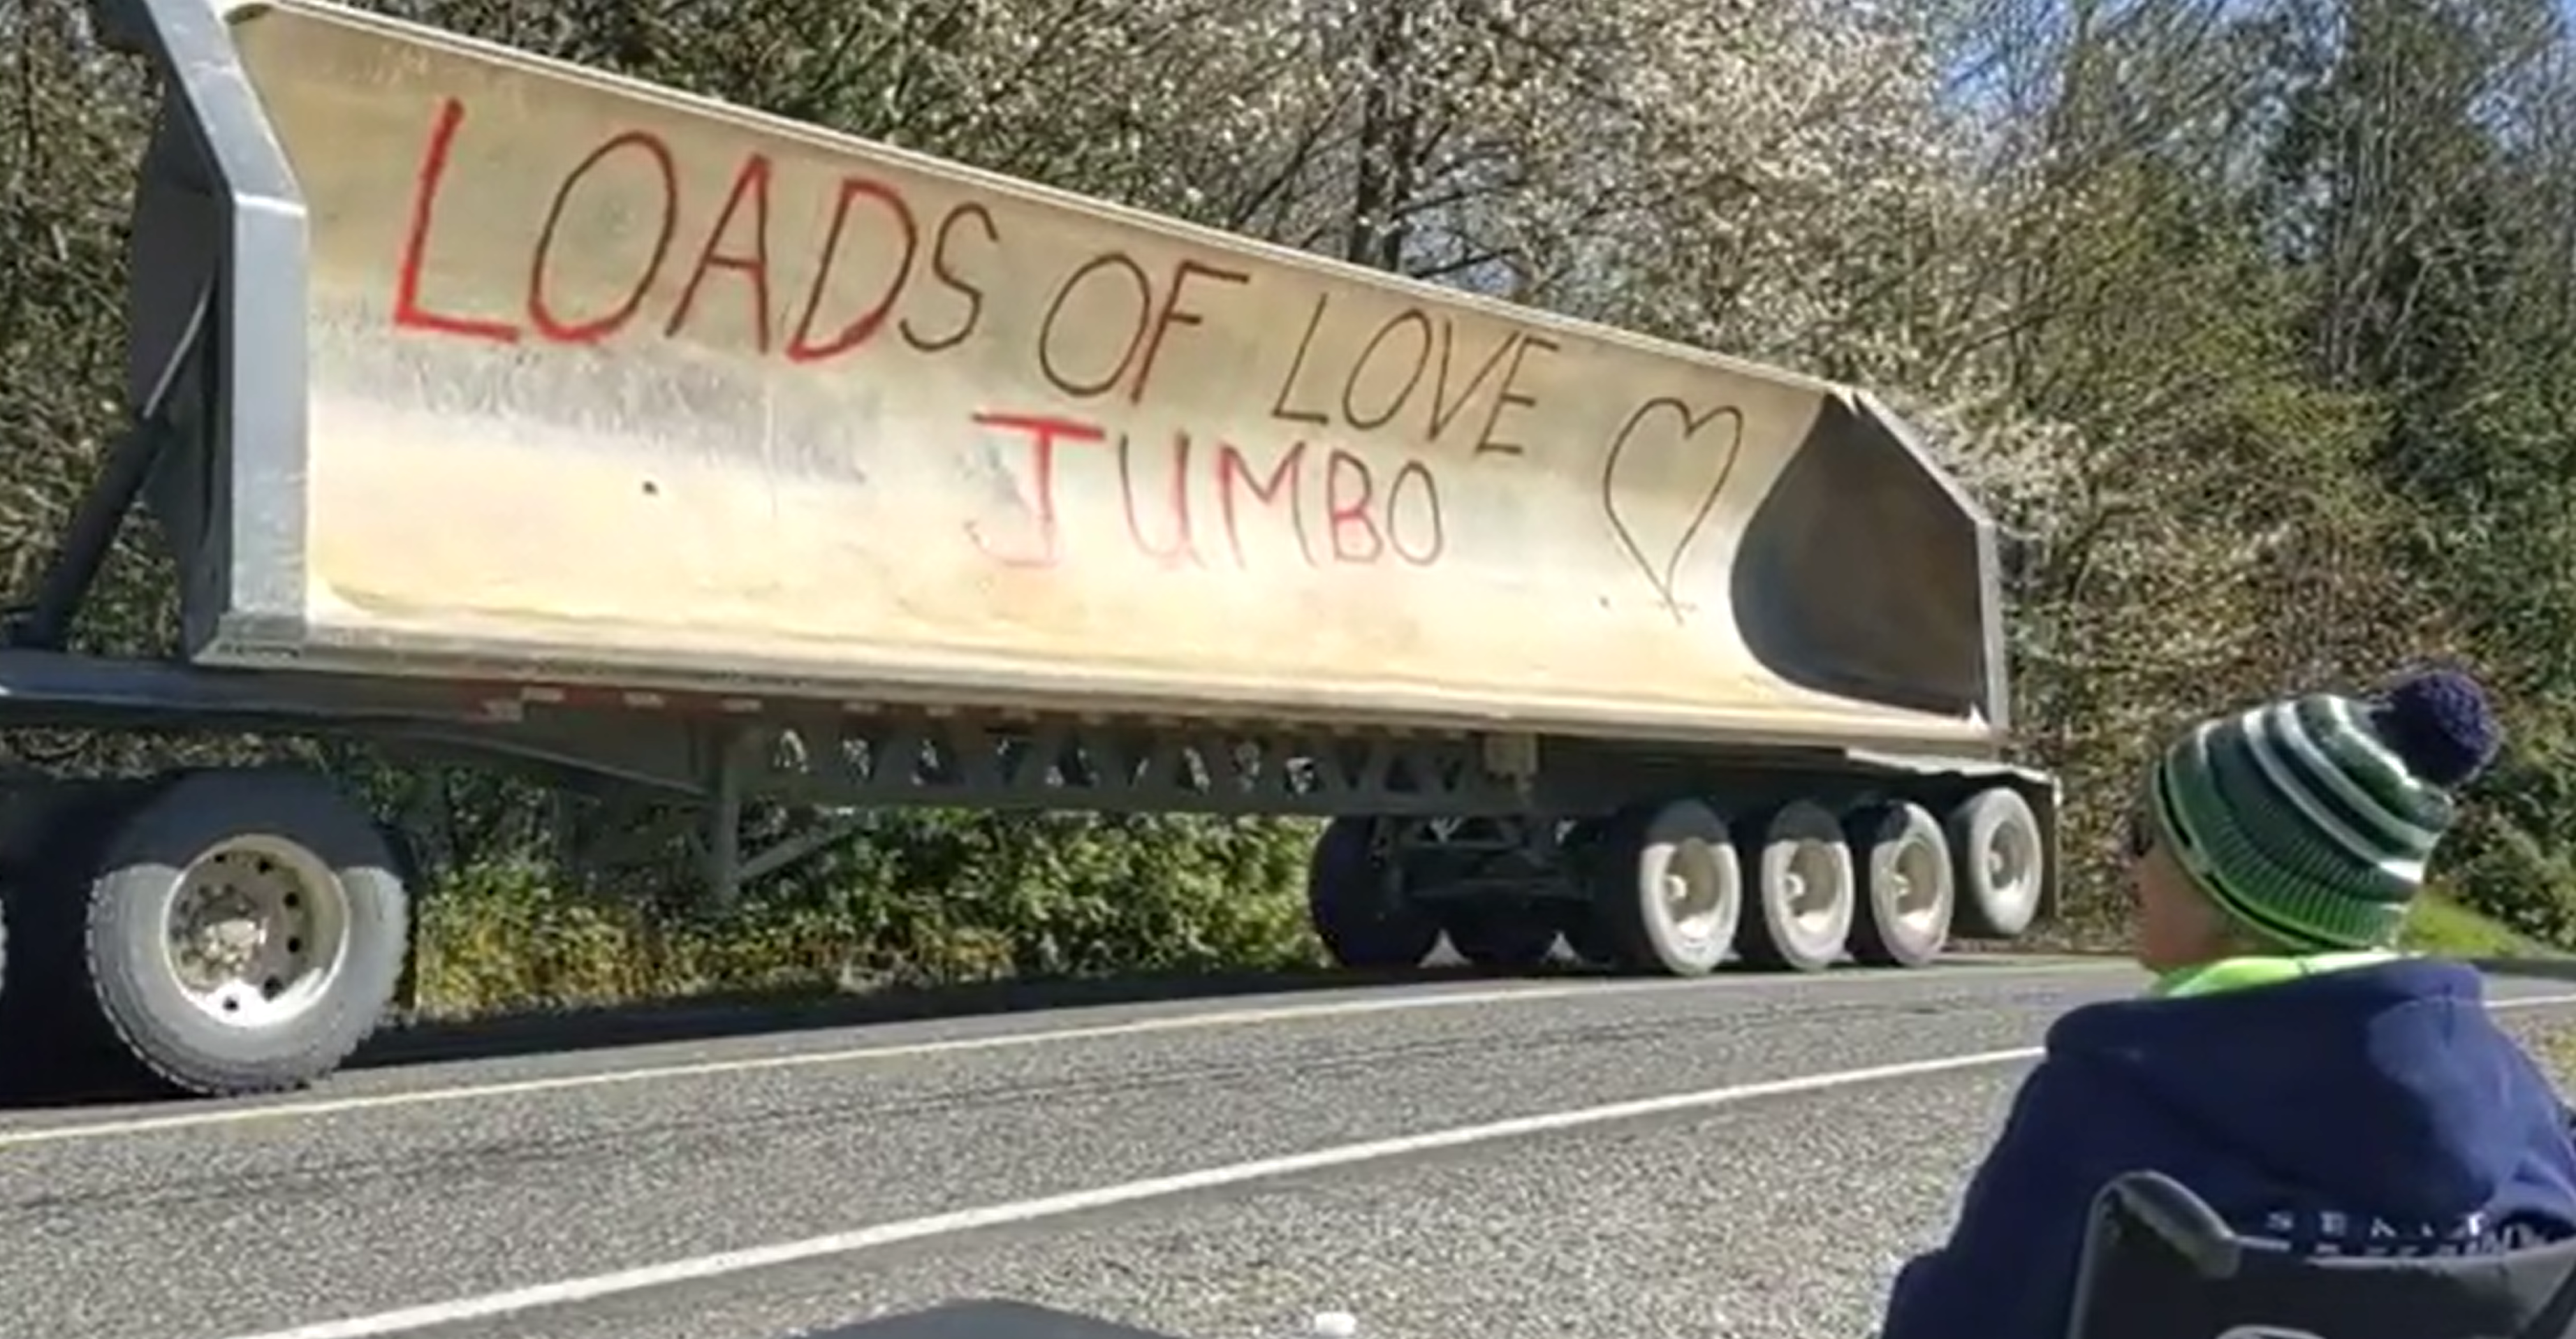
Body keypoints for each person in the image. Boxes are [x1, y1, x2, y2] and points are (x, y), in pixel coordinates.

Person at [1878, 667, 2576, 1339]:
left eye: (2144, 835)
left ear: (2223, 885)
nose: (2131, 863)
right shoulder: (2526, 1114)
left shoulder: (2100, 1104)